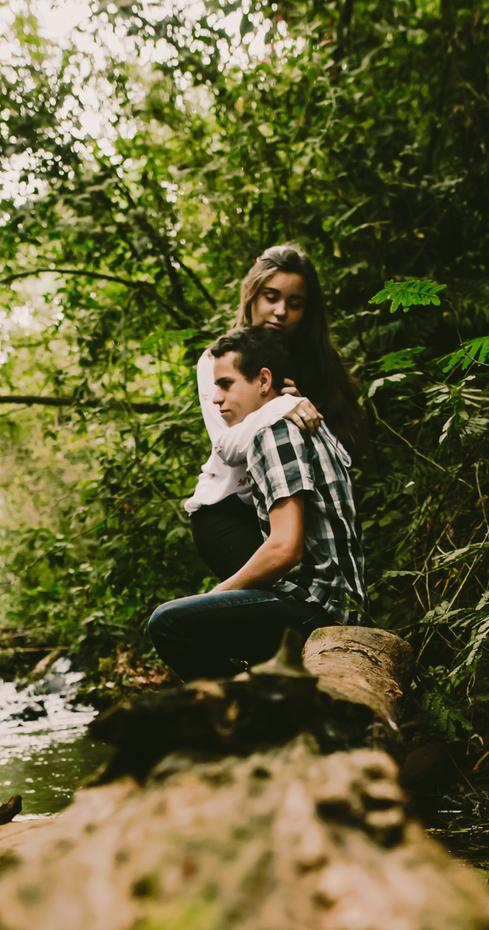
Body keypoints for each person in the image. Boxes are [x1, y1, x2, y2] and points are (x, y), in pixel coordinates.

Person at [151, 326, 366, 682]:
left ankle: (243, 722)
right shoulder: (298, 423)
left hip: (319, 608)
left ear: (264, 381)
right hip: (336, 603)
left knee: (169, 623)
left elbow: (285, 549)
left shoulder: (274, 431)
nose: (216, 398)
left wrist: (217, 595)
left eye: (225, 384)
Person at [186, 243, 363, 582]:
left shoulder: (319, 362)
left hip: (297, 513)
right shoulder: (217, 361)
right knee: (267, 611)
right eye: (271, 297)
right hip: (229, 511)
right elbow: (227, 446)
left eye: (295, 304)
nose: (281, 311)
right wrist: (281, 406)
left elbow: (343, 449)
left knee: (288, 622)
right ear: (251, 296)